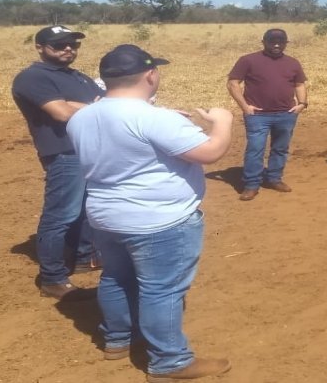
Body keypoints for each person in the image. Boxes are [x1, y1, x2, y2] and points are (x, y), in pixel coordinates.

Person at [67, 44, 234, 381]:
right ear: (150, 75)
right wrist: (223, 121)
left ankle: (117, 339)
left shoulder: (82, 115)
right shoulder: (155, 118)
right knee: (162, 289)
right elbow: (211, 151)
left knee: (115, 276)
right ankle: (170, 361)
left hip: (104, 215)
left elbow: (124, 133)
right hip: (158, 220)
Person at [11, 25, 104, 300]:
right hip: (64, 153)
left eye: (72, 44)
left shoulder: (78, 77)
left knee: (88, 209)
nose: (68, 49)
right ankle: (52, 277)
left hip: (89, 150)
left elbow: (104, 103)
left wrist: (85, 105)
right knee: (61, 214)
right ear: (40, 47)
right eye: (59, 44)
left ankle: (83, 258)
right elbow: (62, 113)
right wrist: (93, 107)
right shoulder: (32, 78)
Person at [226, 28, 309, 202]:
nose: (276, 45)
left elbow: (299, 84)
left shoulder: (293, 62)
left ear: (286, 43)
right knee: (255, 149)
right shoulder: (248, 60)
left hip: (286, 114)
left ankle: (274, 178)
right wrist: (244, 106)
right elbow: (233, 84)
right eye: (272, 42)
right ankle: (251, 185)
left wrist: (302, 104)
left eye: (280, 42)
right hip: (258, 115)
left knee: (280, 149)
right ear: (264, 42)